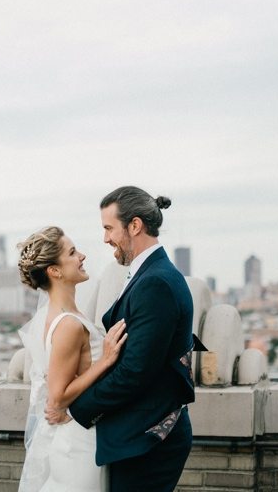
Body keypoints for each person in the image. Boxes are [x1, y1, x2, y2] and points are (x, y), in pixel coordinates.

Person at [47, 186, 200, 492]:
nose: (105, 239)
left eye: (108, 228)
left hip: (149, 440)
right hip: (137, 434)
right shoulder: (148, 275)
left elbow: (135, 372)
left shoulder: (155, 282)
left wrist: (76, 409)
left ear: (134, 225)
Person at [17, 226, 128, 491]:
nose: (82, 256)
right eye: (72, 252)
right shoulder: (67, 324)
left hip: (77, 433)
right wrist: (105, 360)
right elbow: (57, 396)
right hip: (78, 442)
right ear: (54, 271)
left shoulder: (57, 315)